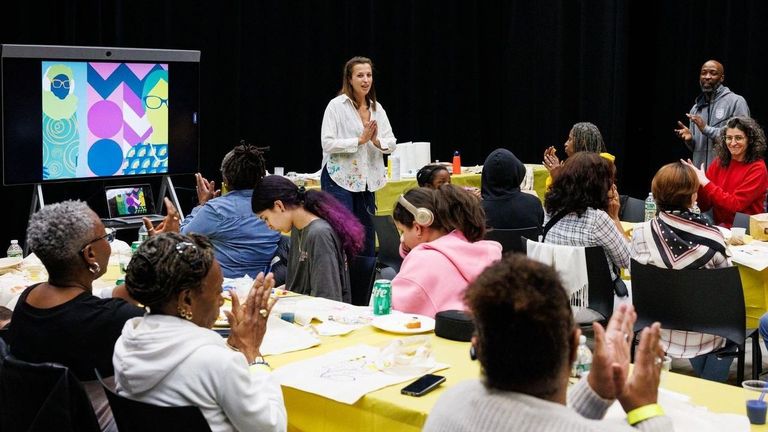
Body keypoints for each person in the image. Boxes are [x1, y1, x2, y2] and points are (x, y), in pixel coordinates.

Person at [423, 254, 671, 431]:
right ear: (575, 347)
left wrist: (595, 389)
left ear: (477, 346)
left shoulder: (451, 403)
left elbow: (540, 420)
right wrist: (647, 409)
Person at [113, 232, 286, 432]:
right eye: (217, 291)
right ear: (186, 300)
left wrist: (232, 344)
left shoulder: (126, 343)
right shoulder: (217, 363)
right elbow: (271, 428)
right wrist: (253, 353)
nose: (221, 301)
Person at [7, 200, 143, 431]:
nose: (109, 244)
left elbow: (99, 301)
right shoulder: (114, 320)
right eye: (106, 238)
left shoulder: (28, 300)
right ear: (90, 254)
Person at [631, 162, 733, 381]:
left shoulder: (641, 234)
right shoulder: (714, 239)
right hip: (706, 336)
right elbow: (727, 295)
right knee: (727, 327)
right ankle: (710, 391)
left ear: (656, 194)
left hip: (654, 330)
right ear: (693, 197)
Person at [320, 56, 396, 257]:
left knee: (368, 235)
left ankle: (366, 282)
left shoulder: (377, 108)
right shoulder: (336, 106)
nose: (365, 80)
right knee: (343, 233)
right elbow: (327, 143)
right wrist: (359, 141)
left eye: (369, 75)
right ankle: (341, 282)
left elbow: (392, 142)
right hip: (339, 178)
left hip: (367, 180)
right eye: (360, 75)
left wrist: (376, 141)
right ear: (349, 79)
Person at [179, 141, 285, 281]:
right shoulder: (274, 208)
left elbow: (182, 239)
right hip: (262, 286)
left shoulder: (216, 209)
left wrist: (202, 205)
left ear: (226, 179)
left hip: (223, 287)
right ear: (261, 177)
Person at [391, 185, 502, 317]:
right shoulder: (480, 251)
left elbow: (391, 309)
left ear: (417, 228)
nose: (402, 238)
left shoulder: (423, 260)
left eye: (402, 231)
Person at [252, 175, 364, 303]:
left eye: (265, 218)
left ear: (279, 206)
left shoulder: (319, 234)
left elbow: (327, 299)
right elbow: (295, 288)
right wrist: (270, 293)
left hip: (321, 316)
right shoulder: (297, 228)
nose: (268, 225)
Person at [543, 152, 630, 281]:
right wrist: (615, 218)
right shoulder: (597, 219)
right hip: (595, 297)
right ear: (597, 184)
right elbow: (627, 260)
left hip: (557, 291)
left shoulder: (550, 210)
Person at [682, 116, 768, 227]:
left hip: (748, 231)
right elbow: (705, 205)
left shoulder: (758, 168)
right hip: (722, 228)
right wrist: (697, 183)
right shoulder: (719, 162)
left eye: (738, 138)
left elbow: (736, 206)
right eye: (729, 138)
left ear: (750, 140)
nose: (732, 143)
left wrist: (705, 182)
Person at [675, 60, 750, 169]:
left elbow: (741, 137)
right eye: (703, 73)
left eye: (713, 73)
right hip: (701, 175)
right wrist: (690, 140)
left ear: (722, 78)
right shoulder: (695, 109)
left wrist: (706, 129)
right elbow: (698, 148)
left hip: (726, 172)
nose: (707, 76)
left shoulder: (736, 101)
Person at [481, 148, 544, 231]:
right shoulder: (533, 204)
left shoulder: (476, 211)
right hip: (524, 244)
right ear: (517, 172)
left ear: (486, 175)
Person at [542, 122, 615, 187]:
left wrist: (557, 177)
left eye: (570, 139)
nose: (565, 144)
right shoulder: (574, 165)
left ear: (582, 142)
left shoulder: (600, 164)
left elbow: (569, 197)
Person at [417, 163, 482, 198]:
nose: (447, 184)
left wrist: (474, 193)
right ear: (427, 186)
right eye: (441, 182)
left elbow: (464, 190)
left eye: (449, 181)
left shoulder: (452, 193)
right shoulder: (425, 203)